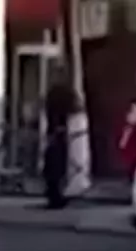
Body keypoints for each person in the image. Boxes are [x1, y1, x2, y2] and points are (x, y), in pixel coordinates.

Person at [41, 66, 79, 210]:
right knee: (58, 164)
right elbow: (74, 107)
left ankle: (53, 195)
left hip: (52, 132)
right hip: (60, 132)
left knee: (52, 164)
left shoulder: (52, 92)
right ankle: (56, 196)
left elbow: (47, 110)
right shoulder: (64, 92)